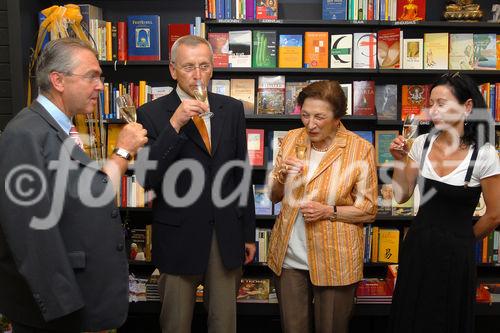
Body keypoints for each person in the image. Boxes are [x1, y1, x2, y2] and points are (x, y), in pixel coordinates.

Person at [0, 38, 148, 332]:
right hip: (56, 313)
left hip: (80, 304)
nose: (100, 86)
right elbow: (29, 232)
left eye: (100, 77)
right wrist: (64, 306)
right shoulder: (25, 134)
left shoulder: (62, 130)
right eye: (91, 76)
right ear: (58, 80)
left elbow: (89, 194)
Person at [135, 35, 256, 333]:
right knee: (175, 324)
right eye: (189, 66)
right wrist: (174, 124)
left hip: (225, 234)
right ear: (173, 70)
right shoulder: (151, 113)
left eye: (204, 65)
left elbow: (240, 173)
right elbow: (147, 177)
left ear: (213, 68)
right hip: (178, 237)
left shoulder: (232, 109)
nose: (197, 74)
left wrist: (248, 233)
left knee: (224, 324)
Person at [387, 72, 500, 332]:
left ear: (467, 107)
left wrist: (464, 239)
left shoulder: (484, 155)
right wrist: (398, 160)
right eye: (431, 103)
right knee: (410, 318)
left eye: (442, 103)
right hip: (417, 249)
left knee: (446, 320)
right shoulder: (421, 145)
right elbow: (401, 195)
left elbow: (495, 214)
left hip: (455, 256)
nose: (433, 110)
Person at [267, 80, 378, 333]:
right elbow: (274, 196)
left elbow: (369, 209)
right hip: (290, 257)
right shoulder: (292, 139)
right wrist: (282, 175)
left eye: (320, 117)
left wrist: (329, 211)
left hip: (335, 260)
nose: (310, 124)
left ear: (338, 117)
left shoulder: (359, 150)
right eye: (305, 115)